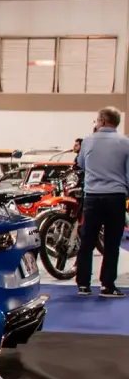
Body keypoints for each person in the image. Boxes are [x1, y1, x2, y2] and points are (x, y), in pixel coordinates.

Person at [74, 106, 129, 297]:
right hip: (116, 197)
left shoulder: (88, 140)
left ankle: (83, 285)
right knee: (112, 244)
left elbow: (81, 164)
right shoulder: (125, 142)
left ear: (102, 121)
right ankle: (107, 286)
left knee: (87, 242)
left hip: (92, 198)